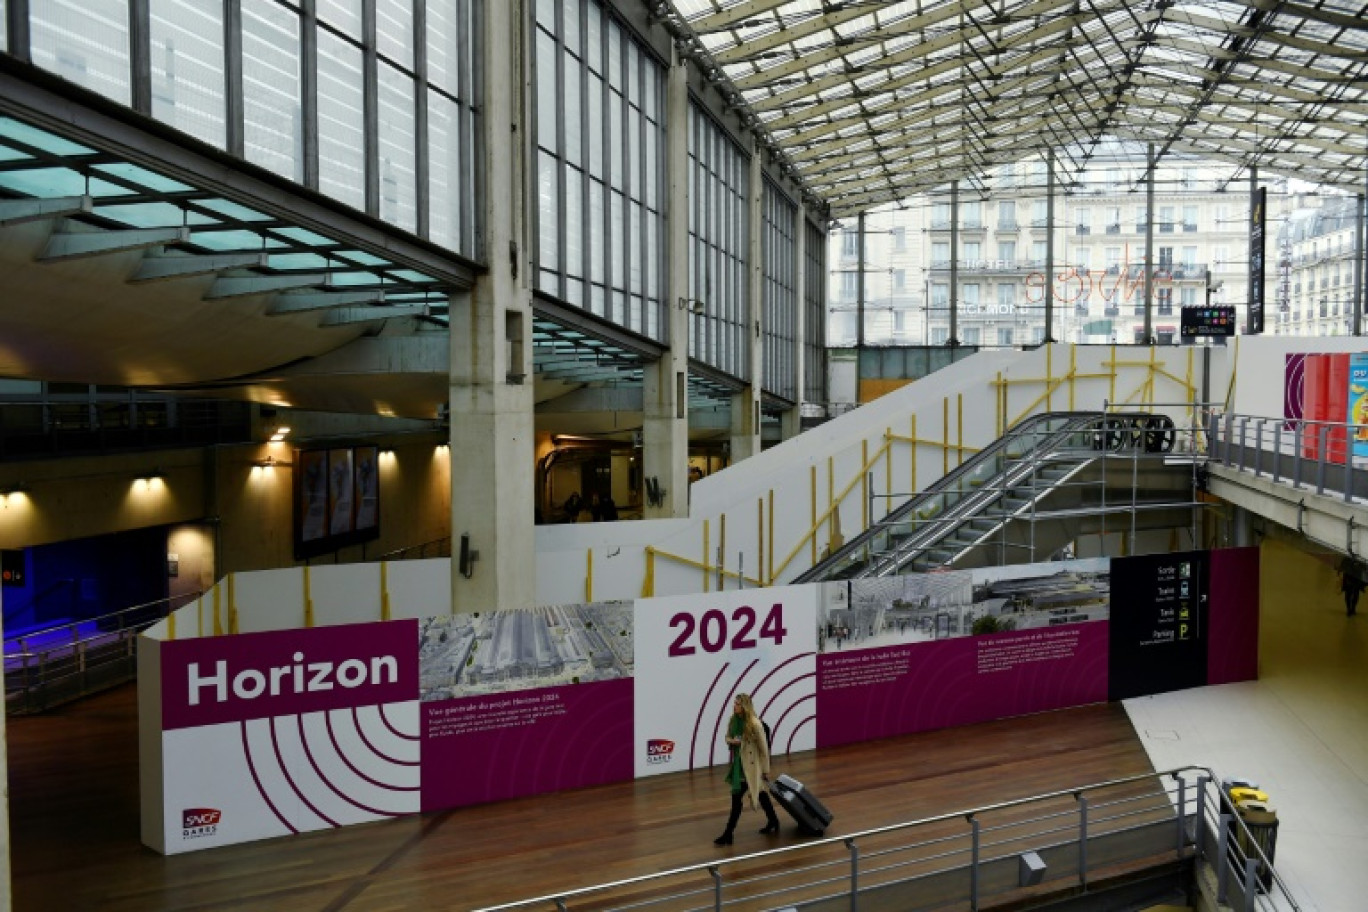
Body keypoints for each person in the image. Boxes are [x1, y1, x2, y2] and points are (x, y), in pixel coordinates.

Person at [714, 693, 781, 846]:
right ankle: (774, 821)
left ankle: (728, 834)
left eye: (737, 704)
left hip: (752, 767)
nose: (734, 706)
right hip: (739, 766)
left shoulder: (755, 724)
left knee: (738, 800)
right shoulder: (733, 720)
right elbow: (727, 737)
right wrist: (732, 741)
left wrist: (765, 770)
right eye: (734, 703)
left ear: (744, 706)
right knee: (761, 794)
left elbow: (764, 749)